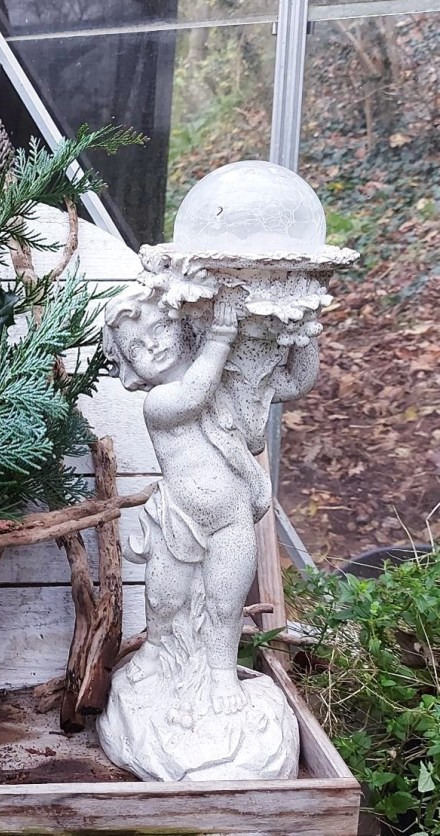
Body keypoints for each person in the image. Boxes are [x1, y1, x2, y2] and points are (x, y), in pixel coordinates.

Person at [104, 287, 271, 716]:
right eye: (135, 348)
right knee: (164, 598)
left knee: (226, 602)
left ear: (182, 326)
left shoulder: (222, 388)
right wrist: (221, 336)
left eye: (159, 328)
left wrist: (303, 337)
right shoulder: (159, 402)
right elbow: (194, 393)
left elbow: (291, 383)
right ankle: (155, 648)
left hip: (232, 518)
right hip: (178, 520)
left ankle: (221, 671)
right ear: (129, 368)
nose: (153, 346)